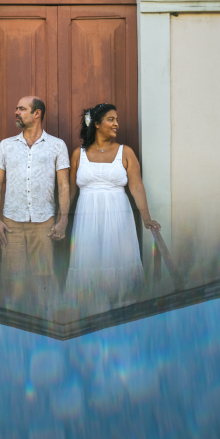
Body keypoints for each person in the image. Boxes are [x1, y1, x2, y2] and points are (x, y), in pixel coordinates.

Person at [64, 103, 160, 316]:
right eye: (111, 119)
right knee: (89, 262)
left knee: (118, 260)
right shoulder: (78, 154)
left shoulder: (125, 152)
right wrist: (61, 220)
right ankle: (89, 316)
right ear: (96, 123)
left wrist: (146, 218)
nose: (116, 124)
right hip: (87, 217)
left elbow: (136, 186)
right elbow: (70, 191)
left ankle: (122, 314)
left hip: (118, 217)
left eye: (117, 120)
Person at [0, 96, 70, 315]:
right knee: (14, 286)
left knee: (43, 284)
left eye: (22, 109)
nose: (16, 112)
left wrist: (63, 220)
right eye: (16, 109)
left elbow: (63, 185)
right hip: (11, 224)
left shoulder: (57, 145)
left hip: (44, 223)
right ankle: (14, 331)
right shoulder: (6, 146)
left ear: (37, 114)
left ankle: (46, 330)